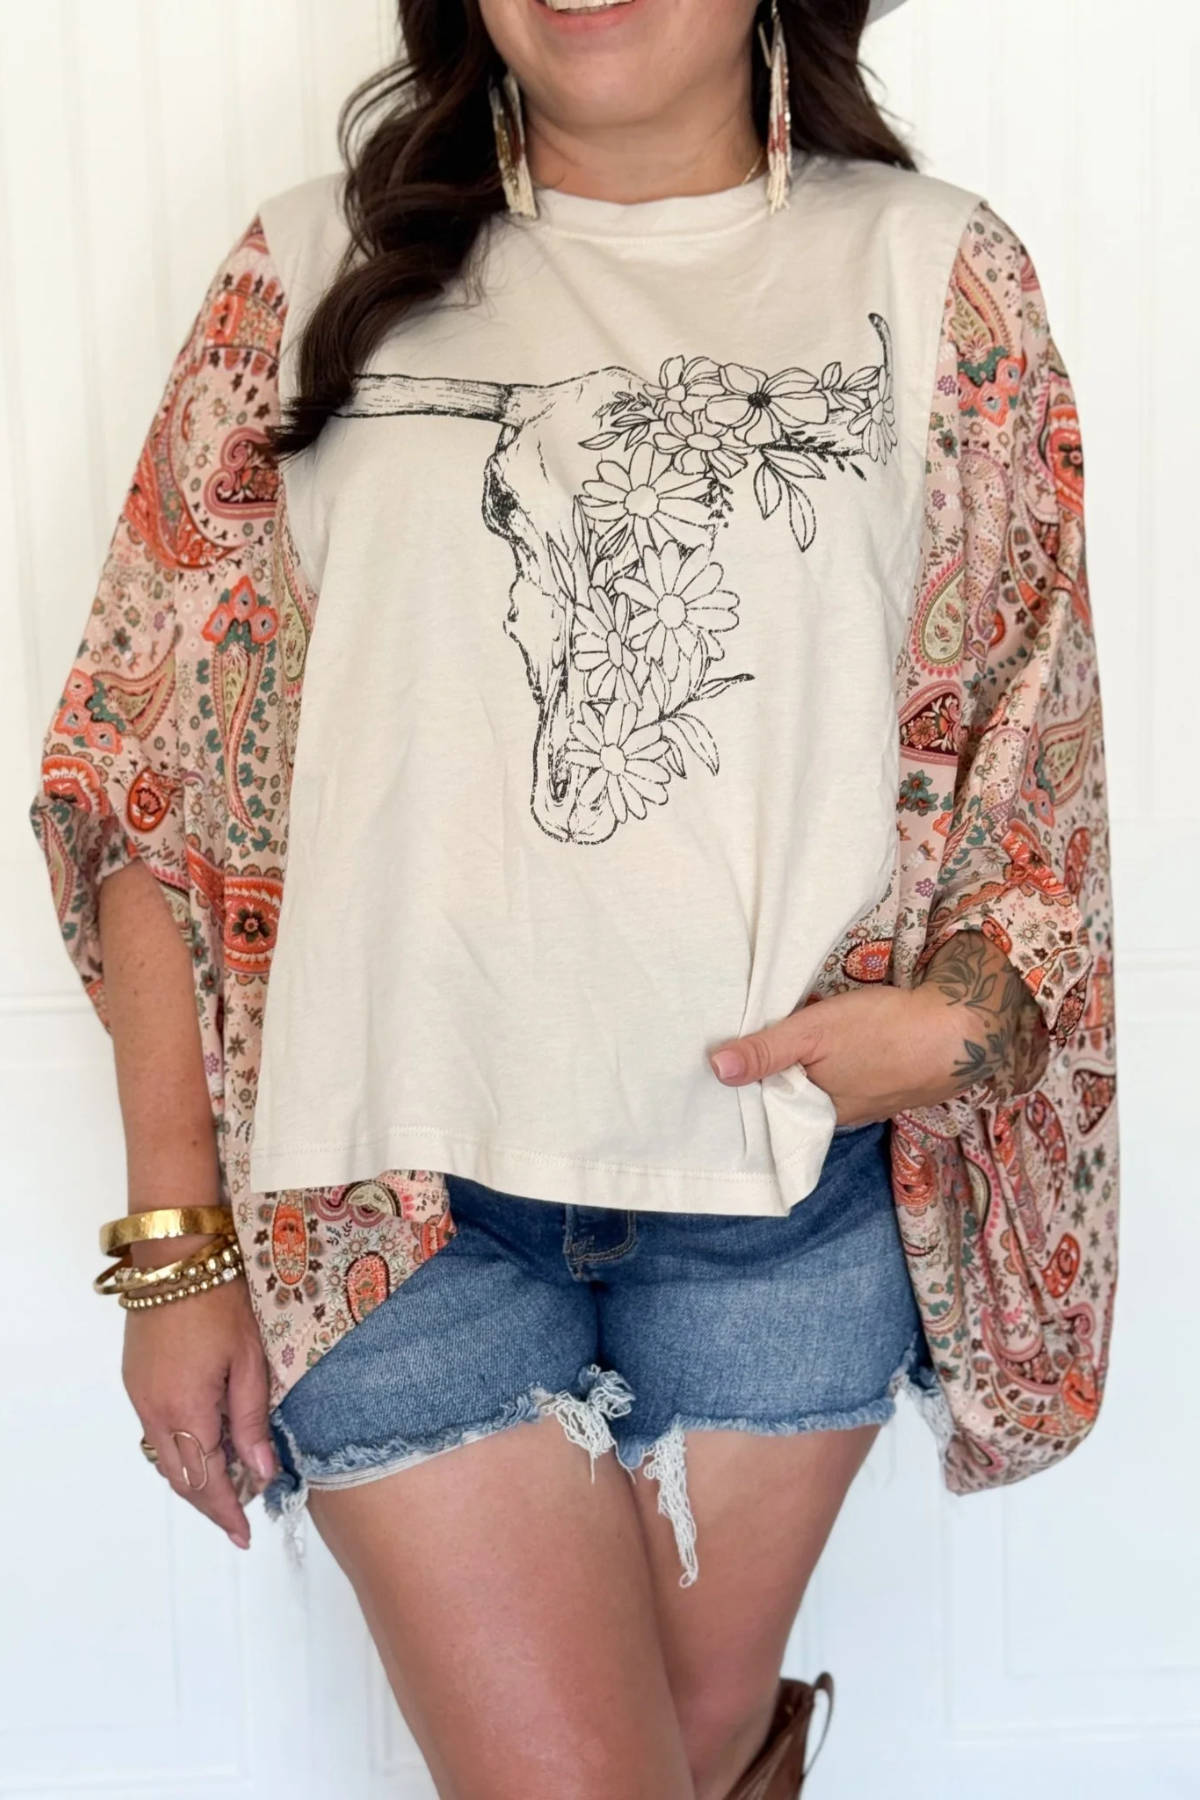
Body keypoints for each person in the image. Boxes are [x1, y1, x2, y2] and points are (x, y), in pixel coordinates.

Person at [30, 1, 1118, 1796]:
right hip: (389, 1217)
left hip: (777, 1208)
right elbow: (143, 769)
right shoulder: (311, 270)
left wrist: (949, 1028)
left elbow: (1036, 729)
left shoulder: (935, 273)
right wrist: (174, 1248)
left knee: (682, 1759)